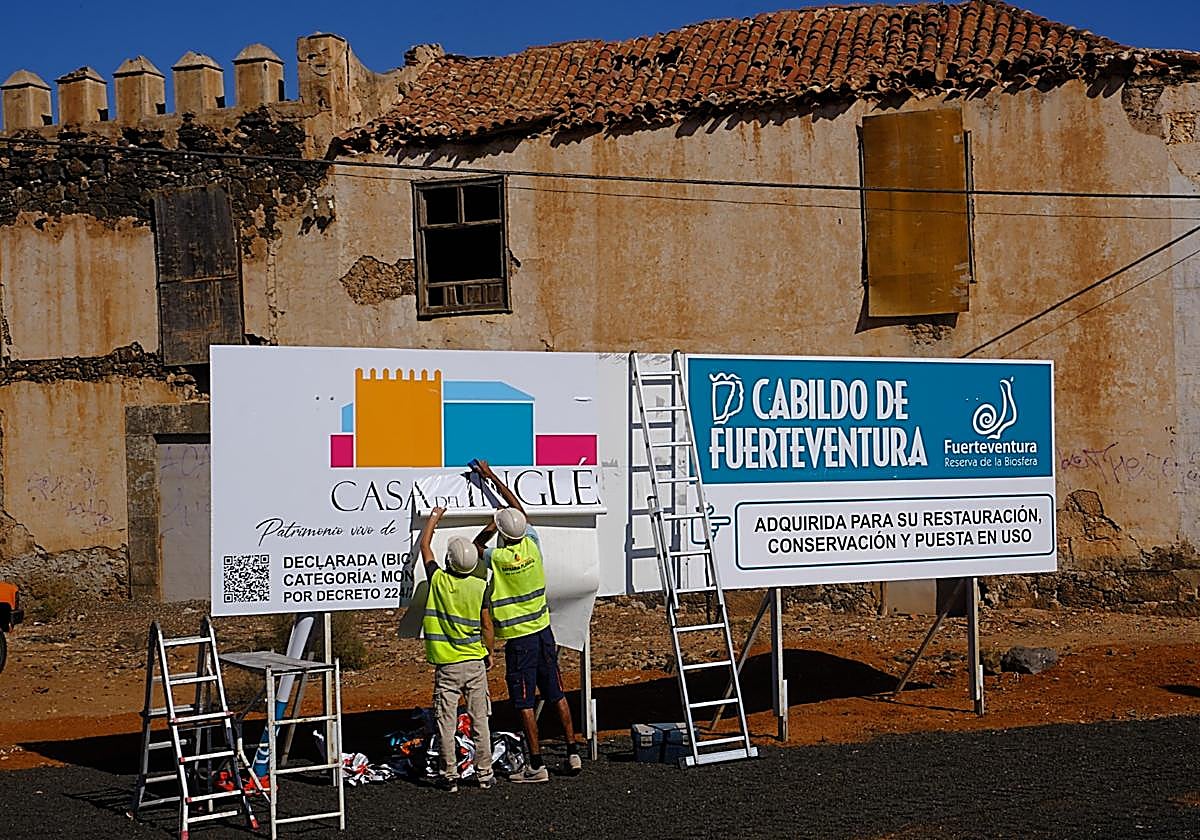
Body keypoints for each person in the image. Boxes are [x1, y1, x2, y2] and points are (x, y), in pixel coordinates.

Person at [470, 459, 581, 782]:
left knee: (523, 701)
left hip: (520, 640)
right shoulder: (533, 545)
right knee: (556, 693)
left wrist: (491, 526)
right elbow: (518, 511)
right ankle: (572, 752)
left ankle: (536, 764)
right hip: (544, 632)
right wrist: (493, 478)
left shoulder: (500, 557)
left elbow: (477, 547)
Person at [418, 506, 494, 792]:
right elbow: (487, 626)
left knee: (446, 723)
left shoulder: (437, 580)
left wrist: (434, 518)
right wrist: (489, 654)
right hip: (475, 662)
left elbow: (425, 546)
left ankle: (449, 775)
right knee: (480, 722)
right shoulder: (479, 585)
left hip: (447, 667)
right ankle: (484, 774)